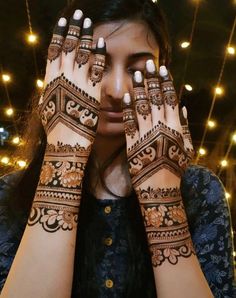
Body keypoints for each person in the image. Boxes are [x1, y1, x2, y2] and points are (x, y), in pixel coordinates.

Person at [0, 0, 234, 297]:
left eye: (138, 71)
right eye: (96, 65)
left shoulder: (200, 189)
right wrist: (65, 152)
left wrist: (162, 197)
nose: (118, 90)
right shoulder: (10, 195)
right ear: (61, 69)